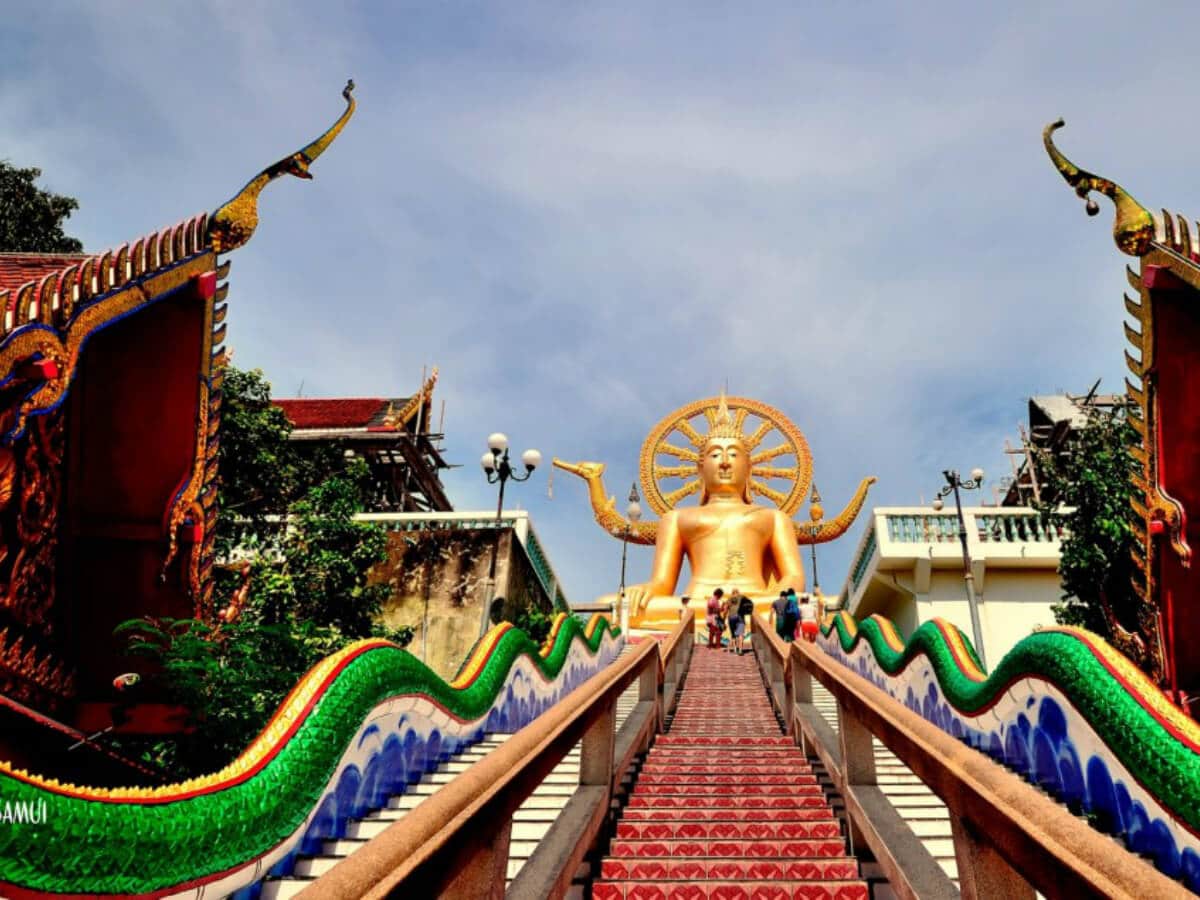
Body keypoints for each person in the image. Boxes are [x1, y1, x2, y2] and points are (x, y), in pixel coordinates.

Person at [727, 588, 748, 655]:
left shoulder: (729, 599)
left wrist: (723, 617)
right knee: (740, 634)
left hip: (731, 617)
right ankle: (741, 650)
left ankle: (735, 649)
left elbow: (726, 608)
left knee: (733, 634)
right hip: (740, 617)